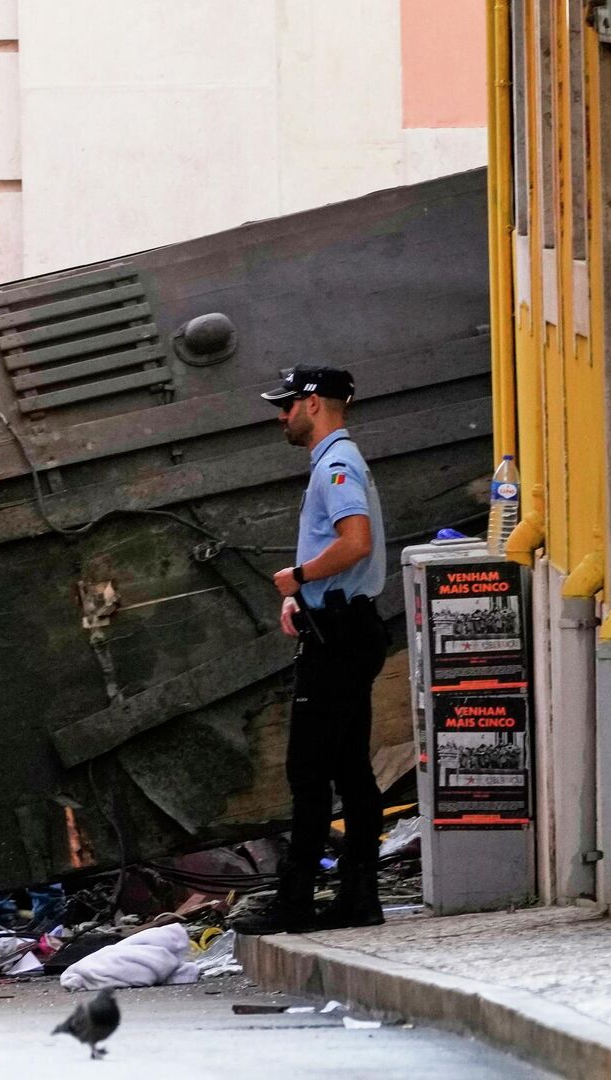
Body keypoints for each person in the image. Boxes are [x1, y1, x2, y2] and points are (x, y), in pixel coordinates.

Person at [235, 367, 389, 936]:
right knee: (350, 771)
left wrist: (296, 576)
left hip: (341, 639)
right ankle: (357, 898)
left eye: (287, 405)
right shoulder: (335, 462)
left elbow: (355, 543)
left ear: (315, 404)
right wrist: (305, 597)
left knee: (308, 771)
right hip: (343, 628)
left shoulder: (337, 466)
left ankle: (295, 901)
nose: (281, 415)